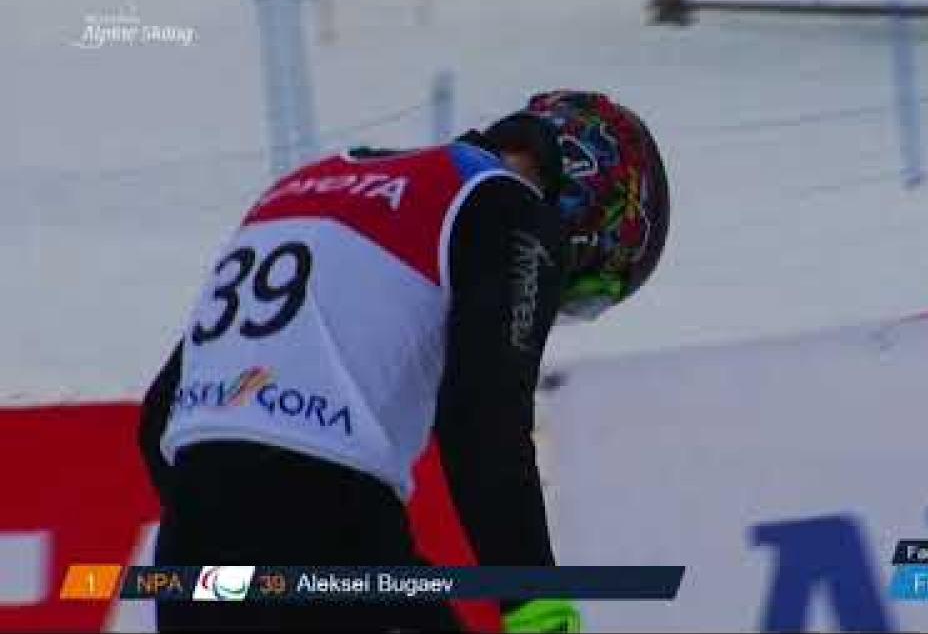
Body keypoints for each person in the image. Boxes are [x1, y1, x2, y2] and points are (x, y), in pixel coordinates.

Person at [138, 90, 671, 632]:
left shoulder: (303, 184)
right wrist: (532, 597)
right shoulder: (505, 206)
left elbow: (159, 415)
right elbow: (484, 415)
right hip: (327, 525)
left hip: (193, 550)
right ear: (597, 205)